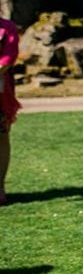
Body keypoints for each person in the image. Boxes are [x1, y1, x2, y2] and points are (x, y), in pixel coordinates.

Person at [0, 16, 20, 206]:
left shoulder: (7, 28)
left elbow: (8, 58)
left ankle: (0, 187)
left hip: (0, 94)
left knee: (1, 137)